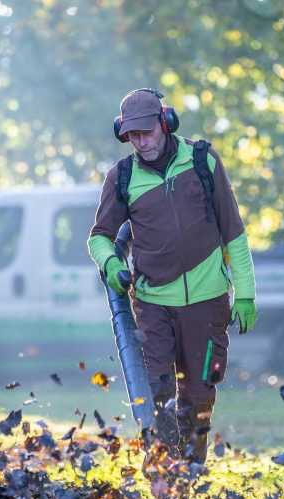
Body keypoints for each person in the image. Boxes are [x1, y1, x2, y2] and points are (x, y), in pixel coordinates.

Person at [87, 88, 257, 465]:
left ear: (165, 123)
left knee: (198, 396)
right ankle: (164, 477)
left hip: (208, 301)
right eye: (132, 135)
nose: (141, 141)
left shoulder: (202, 161)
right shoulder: (123, 176)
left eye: (146, 132)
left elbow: (234, 232)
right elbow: (99, 238)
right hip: (152, 306)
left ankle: (191, 471)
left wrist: (245, 293)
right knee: (158, 394)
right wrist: (112, 264)